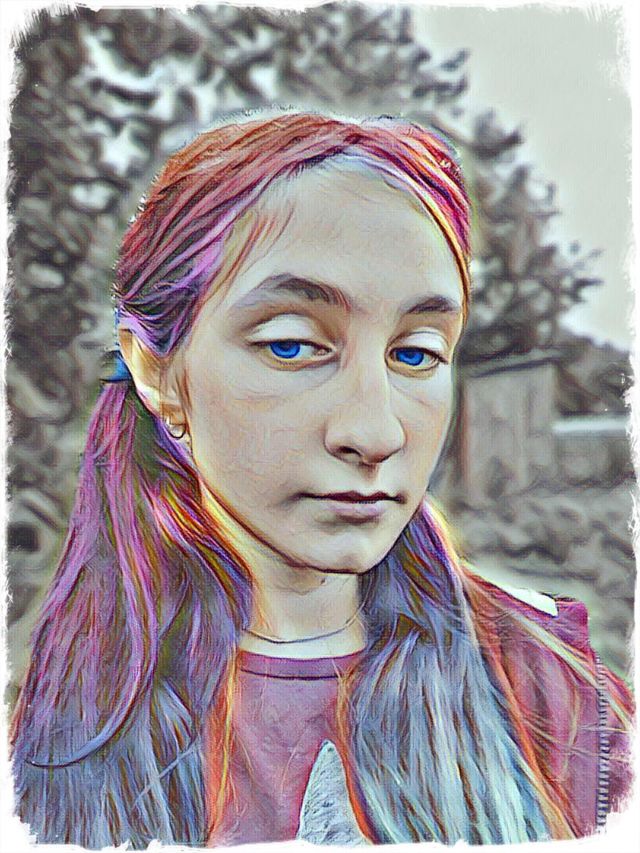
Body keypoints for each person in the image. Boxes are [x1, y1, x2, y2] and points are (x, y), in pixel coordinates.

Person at [10, 110, 634, 848]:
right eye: (292, 344)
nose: (376, 432)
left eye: (415, 353)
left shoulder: (555, 693)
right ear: (156, 370)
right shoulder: (45, 731)